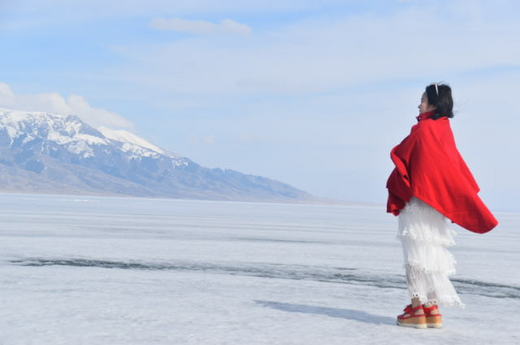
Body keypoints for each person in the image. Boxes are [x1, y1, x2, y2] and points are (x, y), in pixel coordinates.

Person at [386, 83, 499, 329]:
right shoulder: (444, 131)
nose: (419, 104)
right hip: (436, 204)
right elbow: (450, 168)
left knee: (415, 256)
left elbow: (404, 160)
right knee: (432, 254)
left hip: (418, 202)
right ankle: (431, 309)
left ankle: (417, 309)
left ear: (434, 104)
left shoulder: (423, 130)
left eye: (423, 99)